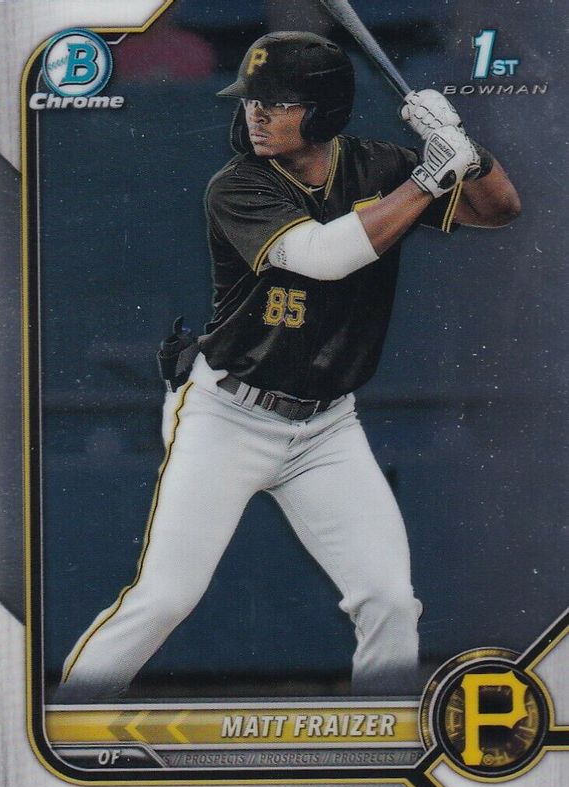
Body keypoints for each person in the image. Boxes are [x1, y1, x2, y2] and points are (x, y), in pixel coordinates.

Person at [56, 32, 520, 701]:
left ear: (324, 109)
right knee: (165, 597)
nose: (257, 114)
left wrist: (468, 152)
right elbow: (324, 257)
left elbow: (500, 209)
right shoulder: (238, 185)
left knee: (389, 599)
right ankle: (71, 718)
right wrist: (428, 178)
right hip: (227, 416)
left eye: (278, 103)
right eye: (252, 101)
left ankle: (380, 731)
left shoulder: (376, 166)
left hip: (327, 428)